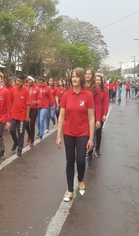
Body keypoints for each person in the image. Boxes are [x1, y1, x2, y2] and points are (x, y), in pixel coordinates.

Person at [56, 67, 95, 202]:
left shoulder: (88, 95)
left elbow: (91, 117)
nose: (74, 79)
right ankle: (70, 190)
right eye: (72, 76)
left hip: (83, 132)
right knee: (70, 161)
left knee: (80, 159)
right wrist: (58, 136)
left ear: (81, 78)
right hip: (69, 132)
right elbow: (61, 117)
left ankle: (80, 179)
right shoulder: (66, 95)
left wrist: (91, 138)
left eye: (77, 76)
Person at [9, 75, 31, 156]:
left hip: (22, 115)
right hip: (14, 114)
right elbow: (11, 102)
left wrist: (27, 116)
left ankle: (20, 148)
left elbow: (28, 104)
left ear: (23, 82)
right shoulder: (13, 90)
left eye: (20, 81)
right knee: (12, 130)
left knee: (21, 132)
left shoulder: (26, 91)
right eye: (17, 80)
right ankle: (16, 141)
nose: (18, 82)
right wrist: (10, 111)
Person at [84, 69, 102, 165]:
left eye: (89, 74)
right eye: (86, 74)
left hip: (92, 116)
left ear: (92, 75)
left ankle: (90, 154)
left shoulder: (96, 88)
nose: (87, 76)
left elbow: (98, 104)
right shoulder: (81, 86)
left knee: (91, 135)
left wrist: (98, 120)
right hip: (82, 116)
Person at [94, 75, 109, 157]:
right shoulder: (92, 89)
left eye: (99, 80)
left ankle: (97, 149)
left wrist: (104, 114)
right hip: (92, 112)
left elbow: (106, 103)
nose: (97, 81)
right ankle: (88, 149)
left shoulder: (105, 89)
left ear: (101, 81)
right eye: (96, 80)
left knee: (98, 132)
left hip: (100, 113)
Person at [25, 76, 42, 147]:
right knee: (26, 124)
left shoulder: (37, 88)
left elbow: (40, 98)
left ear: (32, 80)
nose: (28, 81)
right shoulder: (26, 88)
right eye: (27, 80)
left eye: (30, 80)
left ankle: (32, 140)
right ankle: (29, 135)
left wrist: (37, 102)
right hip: (27, 108)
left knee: (32, 125)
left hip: (34, 108)